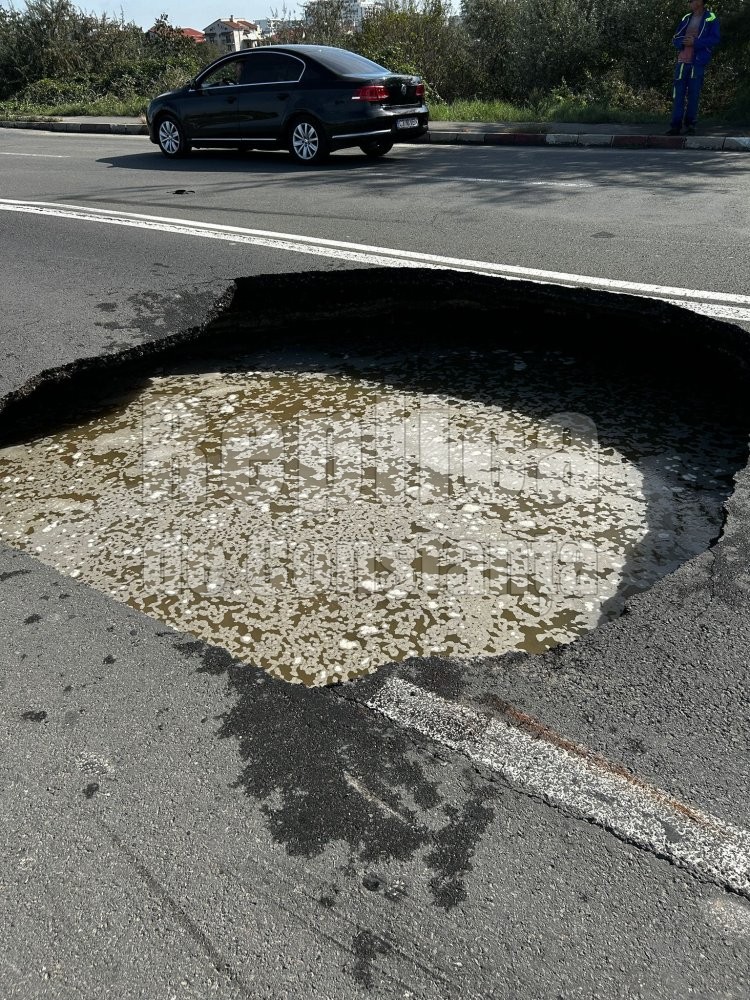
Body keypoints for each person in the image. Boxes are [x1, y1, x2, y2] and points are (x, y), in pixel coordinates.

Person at [666, 0, 721, 135]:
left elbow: (715, 39)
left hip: (697, 62)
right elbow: (676, 37)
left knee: (694, 94)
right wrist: (681, 42)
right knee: (678, 94)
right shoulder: (686, 17)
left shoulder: (711, 18)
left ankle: (690, 125)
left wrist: (695, 42)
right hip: (682, 62)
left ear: (701, 2)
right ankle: (675, 126)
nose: (690, 2)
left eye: (693, 0)